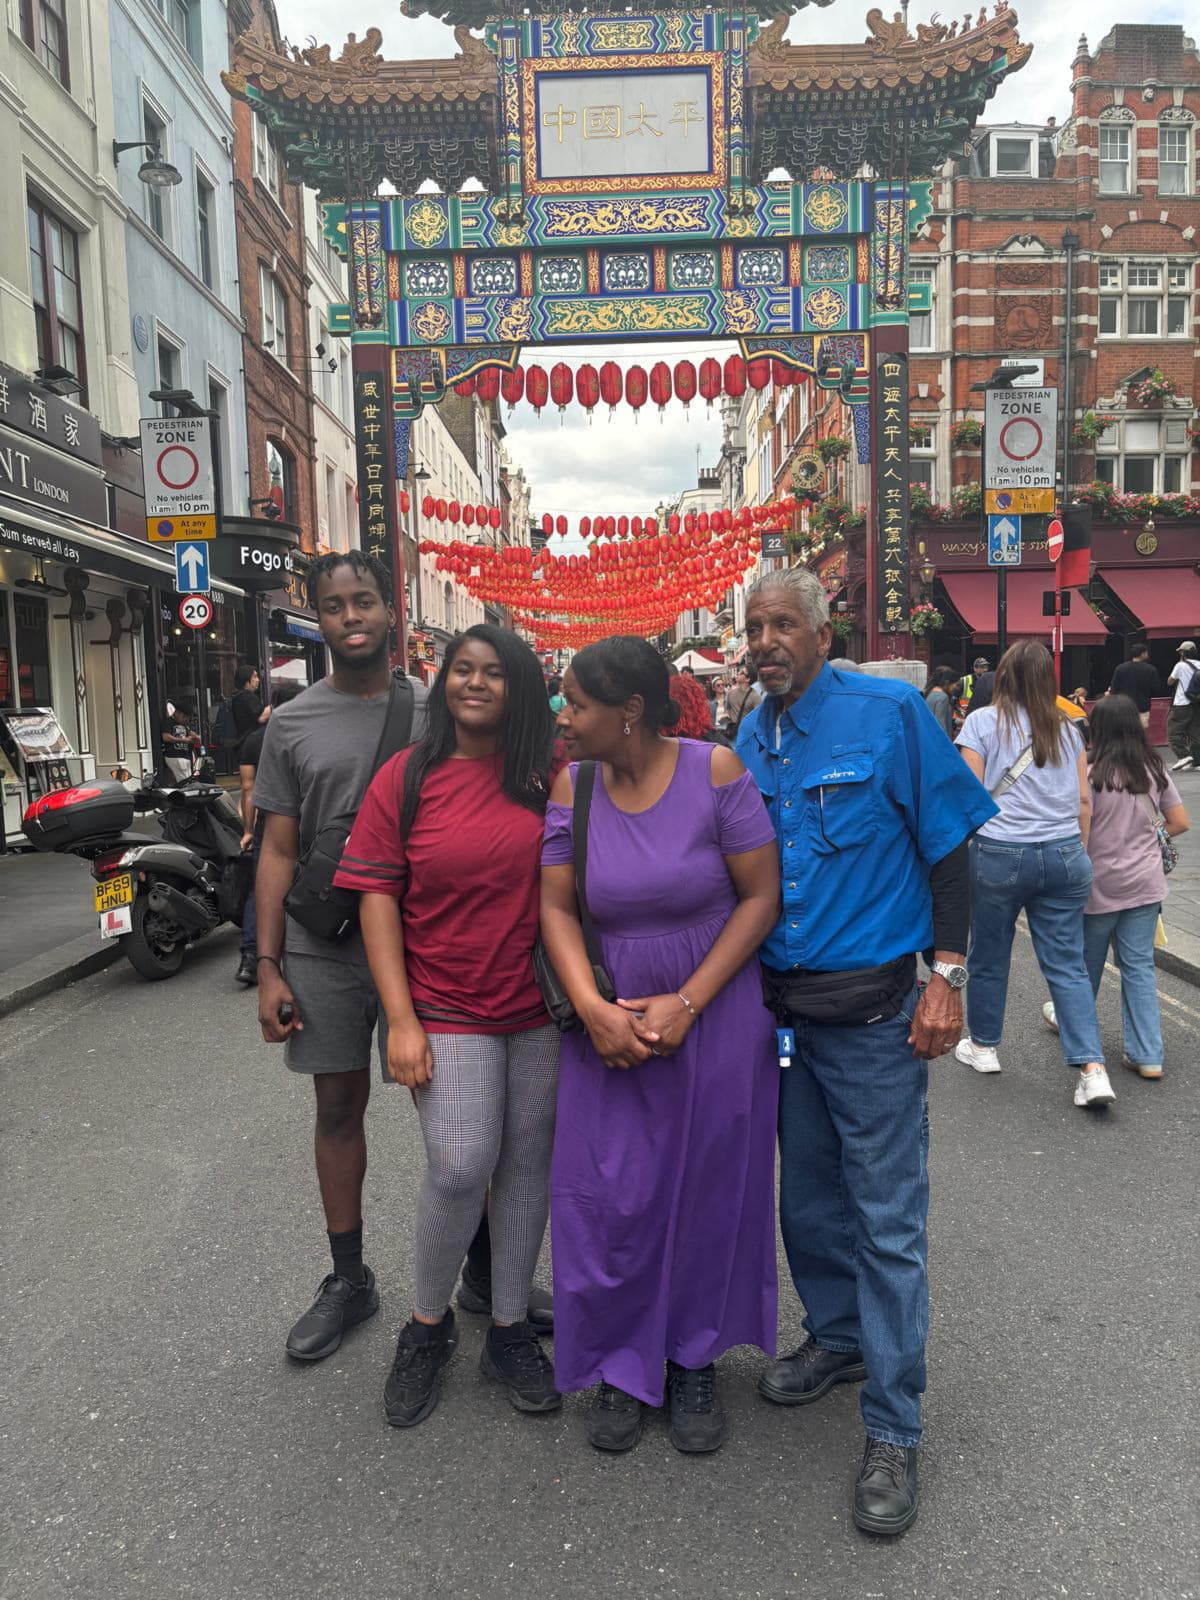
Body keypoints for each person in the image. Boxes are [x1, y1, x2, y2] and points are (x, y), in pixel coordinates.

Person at [738, 569, 995, 1538]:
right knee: (807, 1202)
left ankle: (893, 1426)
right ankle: (838, 1338)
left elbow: (950, 849)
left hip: (878, 1016)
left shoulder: (889, 716)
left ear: (822, 632)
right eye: (754, 627)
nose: (765, 642)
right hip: (783, 1018)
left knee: (887, 1222)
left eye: (783, 625)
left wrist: (947, 977)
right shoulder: (748, 738)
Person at [252, 552, 509, 1363]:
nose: (350, 617)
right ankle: (348, 1279)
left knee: (462, 1114)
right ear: (318, 617)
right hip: (324, 947)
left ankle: (482, 1269)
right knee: (337, 1106)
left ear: (391, 610)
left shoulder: (439, 709)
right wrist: (268, 963)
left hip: (423, 939)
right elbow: (278, 849)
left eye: (363, 601)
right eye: (333, 606)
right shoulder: (292, 722)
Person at [541, 637, 781, 1456]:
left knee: (711, 1188)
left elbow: (760, 897)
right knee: (612, 1195)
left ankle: (693, 1355)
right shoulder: (573, 788)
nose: (563, 717)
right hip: (609, 1018)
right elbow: (556, 907)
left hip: (715, 1010)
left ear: (630, 713)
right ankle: (618, 1359)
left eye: (576, 703)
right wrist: (590, 1006)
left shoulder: (714, 772)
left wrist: (688, 1001)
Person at [332, 626, 560, 1426]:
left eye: (494, 673)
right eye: (462, 669)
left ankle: (508, 1330)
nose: (474, 683)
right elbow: (377, 898)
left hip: (539, 1008)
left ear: (519, 688)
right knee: (461, 1167)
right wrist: (400, 1019)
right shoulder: (407, 776)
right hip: (445, 1004)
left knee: (525, 1168)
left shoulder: (549, 775)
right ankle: (426, 1328)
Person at [954, 639, 1116, 1110]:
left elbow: (968, 793)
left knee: (989, 954)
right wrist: (1078, 850)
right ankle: (1092, 1070)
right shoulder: (1068, 728)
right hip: (1064, 852)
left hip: (1000, 850)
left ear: (1003, 676)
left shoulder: (982, 722)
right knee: (1067, 964)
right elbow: (1083, 801)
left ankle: (984, 1046)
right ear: (1049, 680)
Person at [1045, 695, 1188, 1080]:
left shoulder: (1090, 776)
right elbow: (1180, 822)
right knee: (1138, 967)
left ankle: (1077, 1035)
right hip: (1145, 884)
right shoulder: (1154, 770)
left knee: (1084, 966)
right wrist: (1145, 839)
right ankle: (1148, 1055)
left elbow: (1076, 828)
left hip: (1098, 885)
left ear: (1098, 731)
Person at [234, 680, 304, 987]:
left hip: (269, 823)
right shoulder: (305, 733)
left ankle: (252, 957)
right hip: (307, 821)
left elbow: (248, 788)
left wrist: (248, 830)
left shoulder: (254, 740)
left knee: (262, 888)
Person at [667, 670, 732, 746]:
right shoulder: (712, 738)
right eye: (718, 685)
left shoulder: (663, 740)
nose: (721, 686)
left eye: (722, 684)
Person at [1108, 645, 1160, 730]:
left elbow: (1114, 689)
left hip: (1124, 707)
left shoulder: (1120, 668)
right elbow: (1155, 689)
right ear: (1142, 654)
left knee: (1125, 731)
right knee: (1141, 731)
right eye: (1146, 652)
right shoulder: (1151, 669)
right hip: (1143, 707)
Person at [1166, 641, 1200, 771]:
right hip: (1196, 703)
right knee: (1195, 733)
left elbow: (1170, 681)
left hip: (1182, 703)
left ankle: (1183, 755)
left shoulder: (1180, 665)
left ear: (1182, 653)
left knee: (1173, 732)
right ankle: (1197, 762)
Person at [922, 666, 962, 737]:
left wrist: (958, 721)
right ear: (947, 682)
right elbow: (941, 724)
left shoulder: (928, 693)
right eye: (957, 685)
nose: (957, 688)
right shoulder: (943, 697)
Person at [231, 663, 265, 740]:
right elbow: (262, 716)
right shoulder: (247, 696)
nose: (258, 680)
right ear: (246, 681)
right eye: (255, 677)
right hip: (251, 740)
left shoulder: (237, 697)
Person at [724, 664, 760, 733]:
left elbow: (758, 718)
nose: (738, 673)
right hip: (732, 731)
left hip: (747, 733)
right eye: (739, 671)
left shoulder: (755, 696)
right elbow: (726, 710)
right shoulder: (730, 693)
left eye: (742, 672)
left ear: (747, 679)